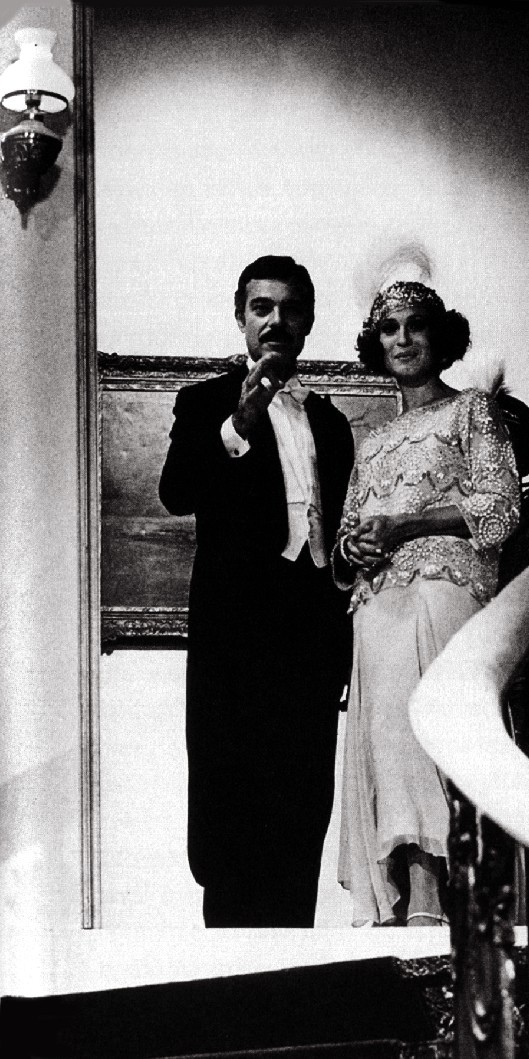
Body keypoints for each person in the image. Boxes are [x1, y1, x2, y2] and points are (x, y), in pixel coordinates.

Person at [159, 255, 355, 927]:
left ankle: (296, 967)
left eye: (290, 308)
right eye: (261, 307)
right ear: (240, 316)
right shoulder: (203, 402)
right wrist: (239, 424)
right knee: (230, 826)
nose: (275, 320)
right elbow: (176, 492)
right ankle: (233, 978)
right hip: (235, 651)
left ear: (307, 321)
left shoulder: (330, 421)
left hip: (311, 650)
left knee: (302, 817)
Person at [332, 280, 521, 927]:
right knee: (387, 744)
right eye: (390, 329)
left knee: (436, 737)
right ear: (376, 343)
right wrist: (355, 547)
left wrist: (408, 525)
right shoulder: (371, 443)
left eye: (415, 325)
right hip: (377, 610)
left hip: (443, 595)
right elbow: (344, 544)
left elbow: (500, 509)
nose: (403, 339)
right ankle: (408, 896)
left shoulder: (472, 411)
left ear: (440, 338)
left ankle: (442, 901)